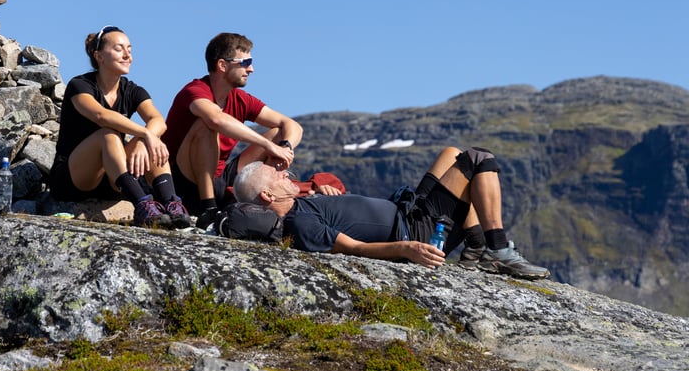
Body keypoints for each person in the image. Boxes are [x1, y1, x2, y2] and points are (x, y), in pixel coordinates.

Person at [231, 147, 550, 280]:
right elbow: (355, 249)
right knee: (478, 160)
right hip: (415, 232)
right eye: (274, 175)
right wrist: (407, 250)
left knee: (451, 154)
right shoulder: (299, 223)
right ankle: (496, 248)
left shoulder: (303, 205)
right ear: (267, 195)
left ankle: (477, 248)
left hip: (408, 211)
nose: (283, 173)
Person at [47, 25, 191, 228]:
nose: (127, 55)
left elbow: (158, 120)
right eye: (119, 49)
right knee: (108, 135)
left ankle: (172, 205)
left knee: (153, 140)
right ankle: (143, 205)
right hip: (74, 179)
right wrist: (143, 134)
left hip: (114, 178)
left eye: (129, 49)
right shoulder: (80, 85)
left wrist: (143, 140)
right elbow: (101, 115)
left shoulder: (132, 90)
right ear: (99, 56)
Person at [163, 32, 303, 228]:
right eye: (245, 63)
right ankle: (208, 209)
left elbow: (291, 124)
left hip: (220, 178)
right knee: (206, 125)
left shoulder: (240, 98)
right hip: (185, 180)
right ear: (222, 65)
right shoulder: (195, 91)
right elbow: (216, 118)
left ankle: (265, 203)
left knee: (277, 133)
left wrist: (284, 146)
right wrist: (266, 145)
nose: (251, 69)